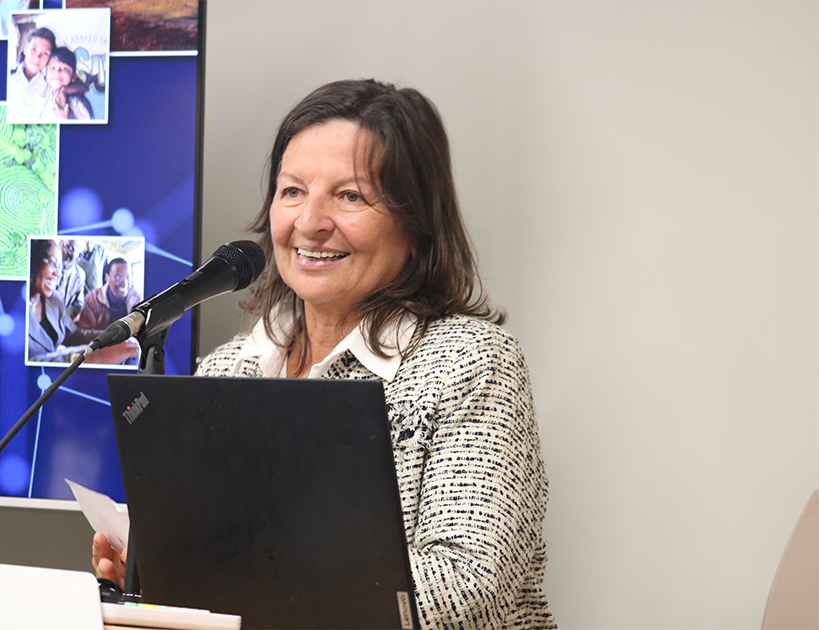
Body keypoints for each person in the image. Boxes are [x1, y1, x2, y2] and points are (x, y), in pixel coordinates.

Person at [92, 79, 555, 629]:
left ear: (417, 224)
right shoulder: (229, 368)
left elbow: (470, 587)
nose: (308, 223)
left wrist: (237, 584)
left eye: (350, 195)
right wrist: (154, 573)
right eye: (291, 192)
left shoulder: (471, 361)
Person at [27, 239, 139, 365]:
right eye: (52, 263)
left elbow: (72, 334)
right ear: (33, 259)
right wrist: (91, 357)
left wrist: (110, 336)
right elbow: (29, 364)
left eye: (59, 266)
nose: (57, 273)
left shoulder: (55, 300)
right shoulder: (12, 308)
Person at [76, 257, 141, 332]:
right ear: (107, 277)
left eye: (128, 277)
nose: (124, 284)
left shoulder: (136, 298)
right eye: (119, 278)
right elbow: (84, 332)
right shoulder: (93, 298)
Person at [6, 27, 54, 122]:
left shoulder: (49, 88)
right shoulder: (9, 77)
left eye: (45, 54)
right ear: (25, 48)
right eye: (34, 49)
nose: (37, 57)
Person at [41, 46, 93, 122]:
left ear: (73, 75)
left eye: (64, 69)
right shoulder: (43, 93)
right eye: (52, 68)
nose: (57, 72)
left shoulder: (76, 102)